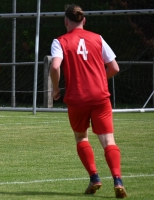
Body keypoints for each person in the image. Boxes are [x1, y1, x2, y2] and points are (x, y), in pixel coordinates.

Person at [50, 4, 127, 198]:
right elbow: (115, 68)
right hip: (100, 96)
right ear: (83, 20)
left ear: (65, 21)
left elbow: (55, 66)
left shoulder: (60, 41)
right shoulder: (98, 38)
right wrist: (100, 78)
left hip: (77, 98)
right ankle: (117, 179)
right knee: (108, 139)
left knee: (81, 137)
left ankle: (94, 177)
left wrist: (56, 88)